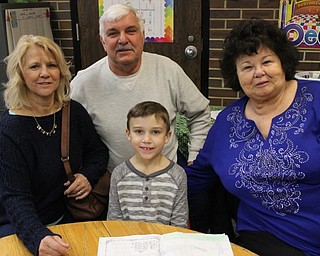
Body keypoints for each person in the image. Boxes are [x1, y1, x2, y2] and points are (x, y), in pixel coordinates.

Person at [185, 18, 320, 256]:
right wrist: (148, 177)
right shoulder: (227, 122)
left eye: (267, 61)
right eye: (247, 67)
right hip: (261, 237)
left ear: (283, 62)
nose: (259, 72)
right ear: (236, 75)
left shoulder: (315, 101)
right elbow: (198, 176)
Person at [0, 35, 109, 256]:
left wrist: (87, 176)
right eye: (34, 66)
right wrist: (37, 237)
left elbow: (97, 152)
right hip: (20, 227)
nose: (45, 73)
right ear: (20, 74)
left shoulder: (73, 111)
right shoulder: (10, 129)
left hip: (68, 217)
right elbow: (15, 196)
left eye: (51, 65)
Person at [70, 3, 211, 172]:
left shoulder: (168, 70)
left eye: (130, 31)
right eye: (113, 33)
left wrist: (194, 159)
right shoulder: (84, 83)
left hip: (168, 179)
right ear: (103, 42)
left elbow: (200, 113)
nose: (123, 39)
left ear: (142, 36)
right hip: (113, 183)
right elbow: (69, 131)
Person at [107, 101, 188, 228]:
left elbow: (179, 224)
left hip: (166, 244)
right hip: (126, 243)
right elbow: (114, 222)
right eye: (139, 131)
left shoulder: (178, 174)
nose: (147, 140)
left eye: (155, 132)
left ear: (167, 136)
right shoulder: (119, 174)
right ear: (128, 134)